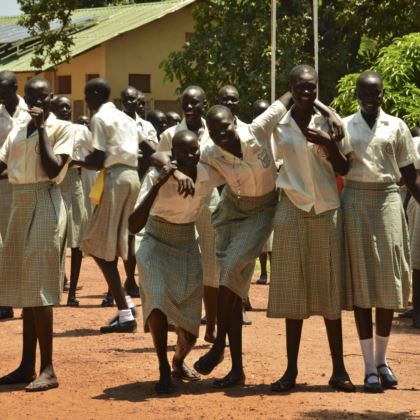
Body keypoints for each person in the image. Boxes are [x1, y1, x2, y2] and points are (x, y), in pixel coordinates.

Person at [267, 65, 354, 393]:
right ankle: (290, 371)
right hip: (291, 208)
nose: (307, 92)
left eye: (313, 88)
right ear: (291, 88)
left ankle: (339, 369)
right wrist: (321, 109)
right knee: (293, 292)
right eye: (301, 87)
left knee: (329, 289)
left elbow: (344, 166)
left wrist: (329, 144)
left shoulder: (331, 122)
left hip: (327, 209)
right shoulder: (280, 125)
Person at [342, 71, 420, 392]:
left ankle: (382, 360)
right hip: (356, 199)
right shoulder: (345, 126)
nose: (368, 99)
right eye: (363, 93)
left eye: (374, 94)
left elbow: (410, 175)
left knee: (388, 283)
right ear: (357, 94)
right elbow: (337, 166)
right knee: (362, 283)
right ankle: (367, 367)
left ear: (382, 95)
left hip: (388, 200)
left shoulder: (397, 126)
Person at [129, 130, 224, 394]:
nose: (191, 156)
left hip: (186, 242)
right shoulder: (156, 175)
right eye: (183, 152)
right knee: (157, 302)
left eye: (195, 151)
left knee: (191, 329)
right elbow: (133, 225)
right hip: (155, 241)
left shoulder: (206, 175)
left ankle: (177, 361)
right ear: (174, 154)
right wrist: (160, 182)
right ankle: (162, 368)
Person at [0, 77, 73, 391]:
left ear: (51, 97)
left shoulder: (62, 129)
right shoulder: (17, 129)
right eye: (30, 96)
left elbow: (54, 169)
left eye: (41, 97)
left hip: (46, 200)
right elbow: (3, 163)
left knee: (40, 282)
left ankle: (48, 368)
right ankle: (26, 365)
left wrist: (42, 126)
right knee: (26, 284)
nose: (35, 103)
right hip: (20, 201)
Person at [74, 78, 141, 333]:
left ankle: (126, 312)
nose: (86, 101)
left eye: (86, 96)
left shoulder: (100, 118)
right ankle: (127, 305)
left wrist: (74, 161)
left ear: (94, 95)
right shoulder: (124, 116)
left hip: (115, 178)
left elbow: (99, 158)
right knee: (109, 246)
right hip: (131, 177)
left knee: (94, 242)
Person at [157, 86, 221, 344]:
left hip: (209, 201)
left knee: (211, 265)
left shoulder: (215, 134)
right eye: (185, 103)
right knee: (180, 262)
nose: (190, 108)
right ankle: (178, 321)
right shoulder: (169, 134)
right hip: (179, 202)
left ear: (204, 104)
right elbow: (161, 161)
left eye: (195, 103)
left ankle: (212, 325)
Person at [120, 86, 158, 299]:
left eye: (140, 101)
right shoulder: (113, 123)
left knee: (140, 232)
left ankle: (142, 278)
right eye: (131, 99)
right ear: (122, 101)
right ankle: (127, 279)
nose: (136, 104)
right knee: (124, 234)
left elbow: (153, 153)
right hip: (122, 182)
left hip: (144, 183)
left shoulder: (146, 126)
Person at [52, 96, 89, 307]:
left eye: (68, 107)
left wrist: (71, 161)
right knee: (55, 241)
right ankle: (55, 288)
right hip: (55, 183)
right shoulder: (49, 129)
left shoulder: (80, 131)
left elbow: (89, 158)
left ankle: (72, 292)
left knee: (76, 241)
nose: (66, 110)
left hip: (74, 183)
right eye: (61, 107)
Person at [0, 70, 30, 320]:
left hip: (23, 184)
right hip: (2, 184)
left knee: (21, 241)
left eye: (3, 88)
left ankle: (26, 298)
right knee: (3, 243)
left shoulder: (29, 112)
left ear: (15, 87)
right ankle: (5, 300)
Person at [252, 99, 276, 286]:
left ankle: (274, 274)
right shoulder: (251, 136)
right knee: (259, 239)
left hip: (277, 191)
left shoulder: (277, 134)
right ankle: (263, 273)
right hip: (256, 192)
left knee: (274, 239)